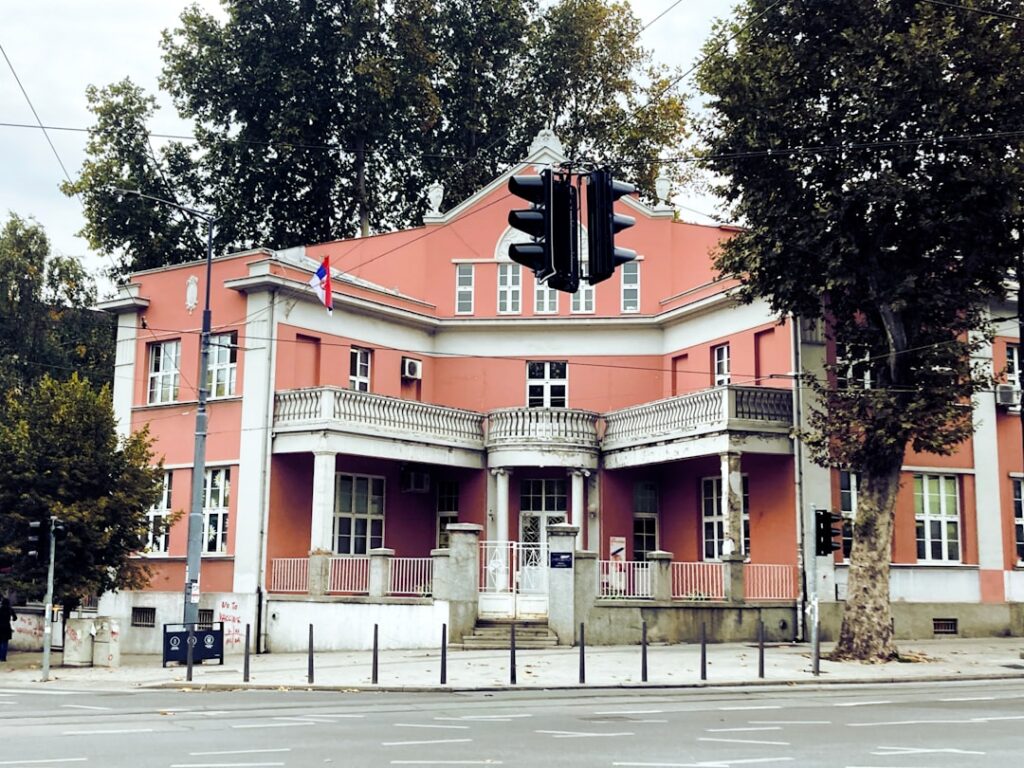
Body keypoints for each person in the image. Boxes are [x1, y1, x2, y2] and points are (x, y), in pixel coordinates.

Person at [0, 594, 16, 662]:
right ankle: (3, 658)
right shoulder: (10, 610)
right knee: (5, 643)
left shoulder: (0, 609)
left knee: (0, 642)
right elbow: (15, 618)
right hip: (7, 627)